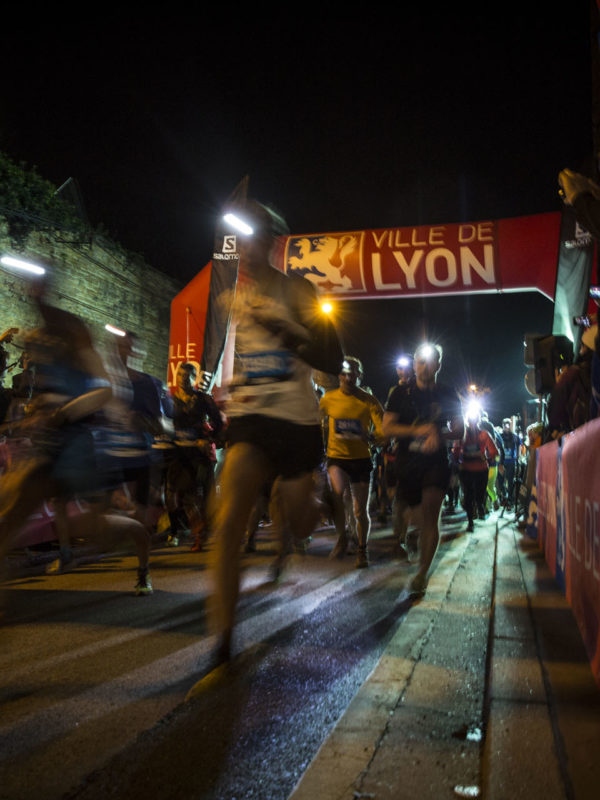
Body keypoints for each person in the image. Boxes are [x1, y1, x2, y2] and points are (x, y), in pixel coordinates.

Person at [206, 200, 344, 668]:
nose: (248, 247)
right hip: (252, 419)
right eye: (242, 239)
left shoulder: (296, 290)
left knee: (300, 522)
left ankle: (315, 498)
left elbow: (333, 358)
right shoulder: (231, 298)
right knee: (229, 518)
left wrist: (286, 330)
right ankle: (223, 637)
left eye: (257, 238)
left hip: (297, 423)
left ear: (270, 244)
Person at [383, 343, 463, 599]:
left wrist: (440, 434)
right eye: (420, 362)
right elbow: (388, 428)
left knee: (430, 516)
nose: (424, 367)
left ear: (438, 365)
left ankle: (422, 574)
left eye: (430, 362)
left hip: (435, 463)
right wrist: (419, 431)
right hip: (407, 462)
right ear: (414, 365)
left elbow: (459, 431)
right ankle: (409, 537)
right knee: (412, 516)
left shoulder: (448, 393)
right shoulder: (400, 393)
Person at [319, 356, 384, 568]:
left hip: (361, 460)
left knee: (359, 510)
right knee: (338, 497)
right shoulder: (328, 399)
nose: (347, 377)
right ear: (339, 375)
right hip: (336, 458)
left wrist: (370, 438)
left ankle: (362, 551)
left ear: (359, 376)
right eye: (344, 373)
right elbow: (316, 423)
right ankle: (342, 536)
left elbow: (384, 434)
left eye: (352, 373)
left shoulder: (369, 401)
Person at [166, 362, 224, 550]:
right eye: (180, 374)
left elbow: (219, 424)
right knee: (171, 495)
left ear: (194, 378)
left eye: (187, 375)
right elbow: (165, 423)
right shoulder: (170, 400)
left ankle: (200, 534)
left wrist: (208, 439)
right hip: (178, 452)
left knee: (198, 495)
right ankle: (181, 529)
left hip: (198, 454)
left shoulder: (203, 399)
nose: (183, 378)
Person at [453, 409, 499, 532]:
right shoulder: (462, 435)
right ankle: (470, 521)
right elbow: (456, 451)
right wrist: (458, 463)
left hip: (481, 469)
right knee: (468, 495)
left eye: (474, 420)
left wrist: (487, 457)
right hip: (467, 470)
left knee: (479, 495)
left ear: (477, 421)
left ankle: (480, 506)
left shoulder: (484, 434)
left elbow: (495, 451)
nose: (472, 423)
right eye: (470, 421)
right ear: (467, 421)